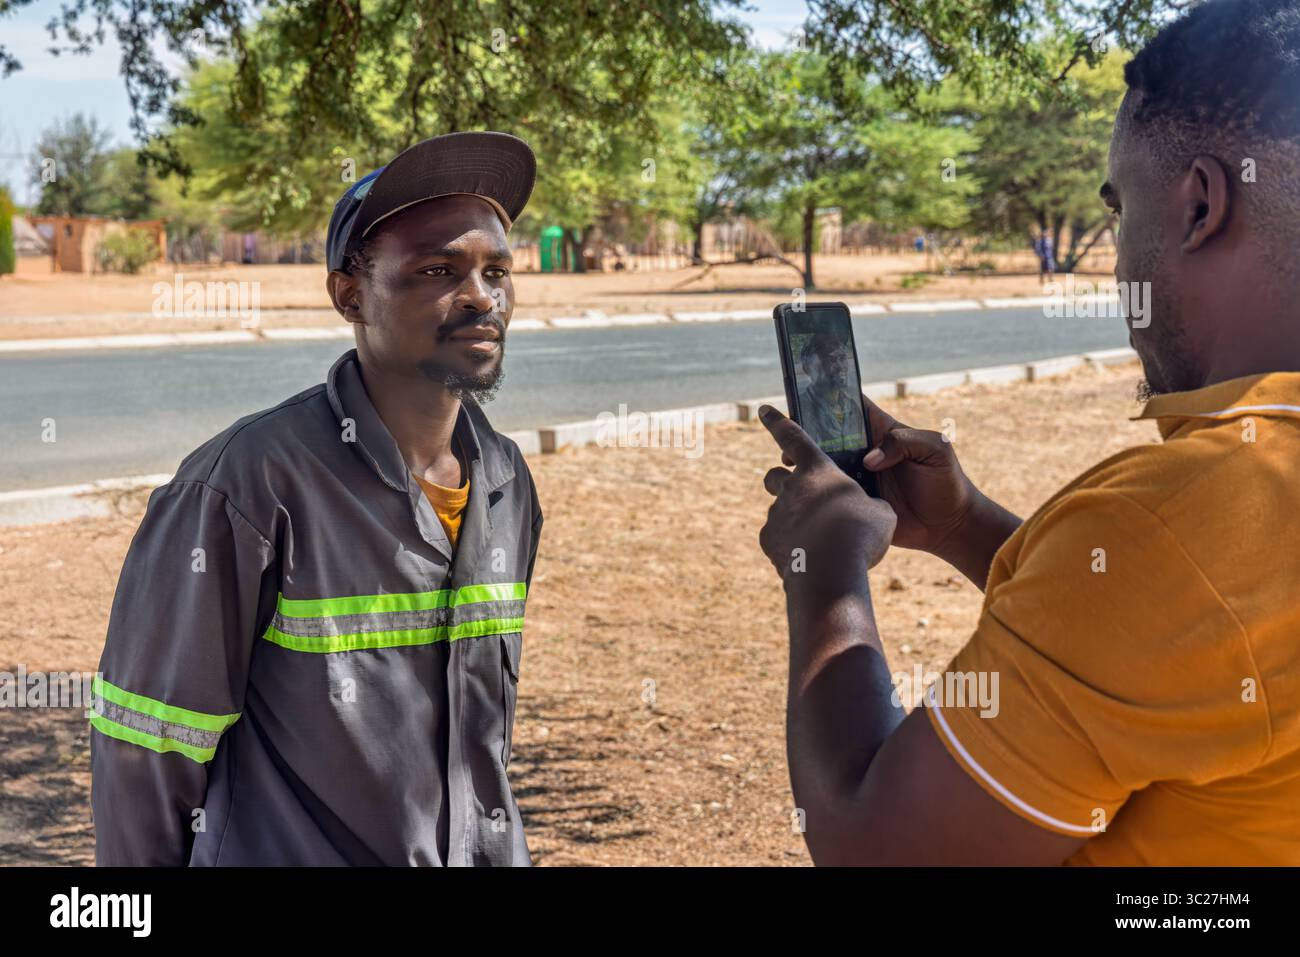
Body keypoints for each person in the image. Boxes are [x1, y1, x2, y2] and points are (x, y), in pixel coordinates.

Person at [758, 0, 1300, 865]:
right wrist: (965, 526)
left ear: (1200, 206)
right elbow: (1186, 651)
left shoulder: (1185, 524)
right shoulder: (1206, 540)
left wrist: (824, 573)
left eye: (1121, 213)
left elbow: (876, 844)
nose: (1118, 259)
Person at [89, 131, 545, 866]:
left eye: (498, 270)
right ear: (349, 292)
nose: (480, 296)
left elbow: (478, 745)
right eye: (439, 268)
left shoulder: (505, 480)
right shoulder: (244, 485)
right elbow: (148, 752)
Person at [796, 331, 867, 453]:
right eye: (831, 360)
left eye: (842, 358)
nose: (840, 366)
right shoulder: (802, 408)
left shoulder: (853, 408)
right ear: (808, 368)